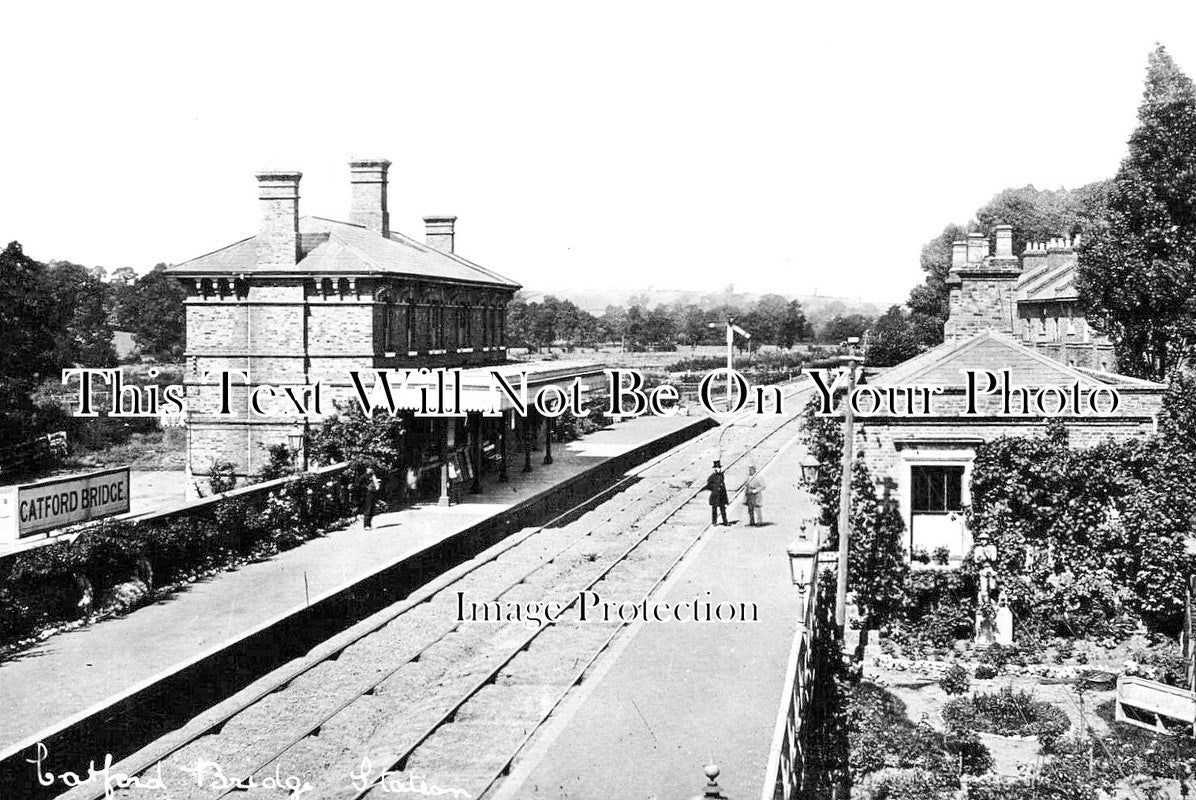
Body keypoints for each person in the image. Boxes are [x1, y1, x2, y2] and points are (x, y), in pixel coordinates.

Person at [706, 460, 729, 526]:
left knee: (723, 509)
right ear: (714, 469)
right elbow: (708, 486)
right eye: (717, 468)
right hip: (715, 495)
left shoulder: (722, 475)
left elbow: (723, 484)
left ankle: (725, 521)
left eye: (719, 468)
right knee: (714, 509)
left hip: (721, 495)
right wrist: (714, 489)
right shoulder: (712, 477)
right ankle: (714, 522)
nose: (718, 469)